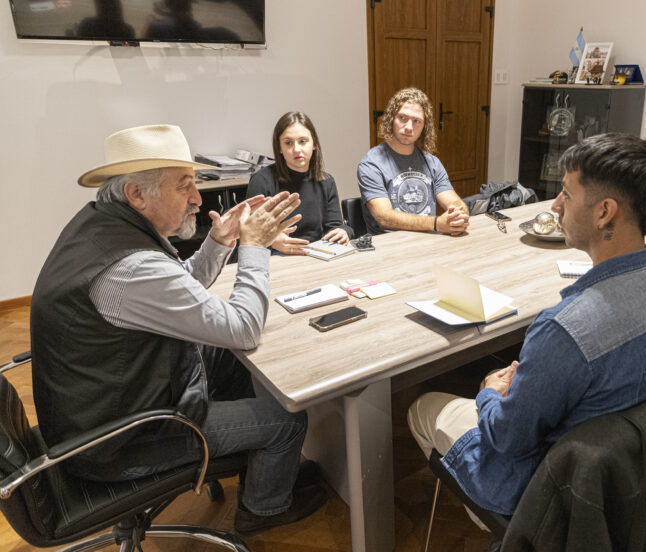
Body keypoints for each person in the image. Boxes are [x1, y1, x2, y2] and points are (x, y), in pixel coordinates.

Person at [30, 124, 327, 535]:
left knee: (240, 365)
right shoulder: (130, 266)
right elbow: (244, 329)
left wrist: (220, 242)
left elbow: (171, 289)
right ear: (137, 195)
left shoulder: (101, 225)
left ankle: (262, 468)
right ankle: (264, 507)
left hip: (95, 407)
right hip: (117, 441)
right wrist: (255, 247)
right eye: (184, 186)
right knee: (286, 419)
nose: (197, 198)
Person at [407, 133, 646, 517]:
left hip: (549, 496)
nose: (557, 205)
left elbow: (508, 440)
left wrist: (488, 392)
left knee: (422, 406)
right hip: (633, 480)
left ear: (604, 211)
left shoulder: (563, 331)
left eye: (566, 194)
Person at [357, 87, 470, 236]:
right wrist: (436, 224)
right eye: (403, 118)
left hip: (430, 242)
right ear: (391, 119)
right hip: (390, 246)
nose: (409, 127)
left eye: (417, 121)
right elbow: (384, 217)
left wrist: (459, 215)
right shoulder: (371, 164)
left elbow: (454, 201)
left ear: (424, 127)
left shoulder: (432, 162)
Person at [247, 111, 353, 255]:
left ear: (314, 144)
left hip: (316, 254)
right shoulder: (262, 180)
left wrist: (343, 231)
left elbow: (334, 226)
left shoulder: (326, 181)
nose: (296, 149)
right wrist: (271, 241)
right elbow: (249, 233)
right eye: (288, 143)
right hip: (276, 258)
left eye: (303, 141)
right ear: (279, 148)